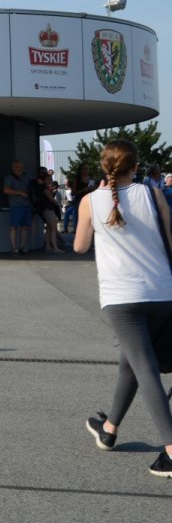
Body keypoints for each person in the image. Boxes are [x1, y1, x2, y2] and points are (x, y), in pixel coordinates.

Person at [73, 139, 172, 479]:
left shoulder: (90, 201)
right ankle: (109, 429)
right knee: (131, 362)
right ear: (136, 165)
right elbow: (170, 240)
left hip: (121, 298)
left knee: (145, 367)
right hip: (162, 291)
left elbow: (79, 245)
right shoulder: (153, 194)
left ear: (105, 167)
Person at [31, 166, 63, 254]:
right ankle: (55, 247)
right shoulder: (44, 189)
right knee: (52, 229)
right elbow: (52, 200)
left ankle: (48, 247)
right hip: (48, 209)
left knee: (49, 229)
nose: (50, 181)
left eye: (51, 180)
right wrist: (58, 204)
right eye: (48, 180)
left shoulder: (42, 187)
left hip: (45, 209)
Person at [4, 158, 32, 255]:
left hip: (27, 205)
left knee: (25, 227)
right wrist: (19, 193)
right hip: (15, 205)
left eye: (21, 167)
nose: (20, 169)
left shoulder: (27, 176)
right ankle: (14, 247)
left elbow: (33, 185)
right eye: (18, 167)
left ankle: (22, 247)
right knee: (14, 227)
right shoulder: (9, 178)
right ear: (14, 168)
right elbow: (6, 190)